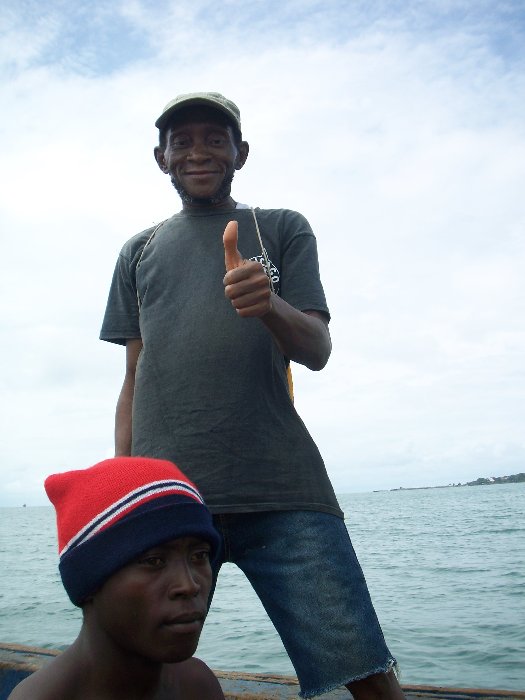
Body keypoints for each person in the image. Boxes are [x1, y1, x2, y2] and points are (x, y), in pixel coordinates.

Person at [100, 91, 405, 699]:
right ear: (161, 157)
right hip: (170, 496)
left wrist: (269, 304)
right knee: (131, 673)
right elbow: (134, 375)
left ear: (240, 153)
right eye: (182, 142)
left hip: (283, 490)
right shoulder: (138, 251)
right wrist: (123, 482)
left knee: (365, 669)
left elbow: (316, 349)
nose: (198, 152)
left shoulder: (282, 228)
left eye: (215, 139)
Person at [8, 457, 225, 700]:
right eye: (154, 561)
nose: (189, 585)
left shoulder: (197, 685)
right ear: (90, 579)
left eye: (199, 556)